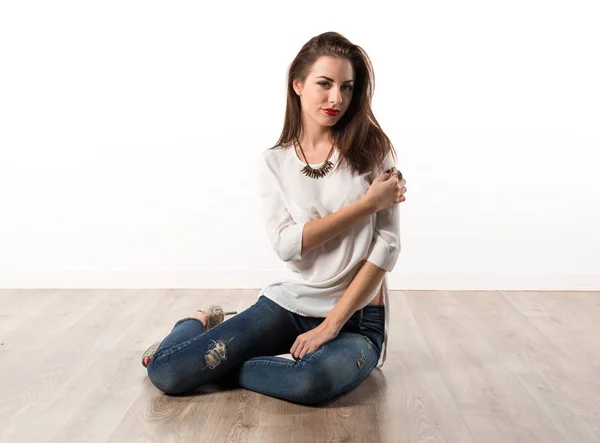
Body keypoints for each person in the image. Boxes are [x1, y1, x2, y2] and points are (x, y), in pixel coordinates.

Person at [142, 31, 408, 406]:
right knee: (167, 372)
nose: (337, 98)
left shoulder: (373, 150)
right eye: (324, 84)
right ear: (297, 85)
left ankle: (222, 364)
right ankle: (198, 321)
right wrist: (366, 205)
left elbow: (388, 247)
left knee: (312, 381)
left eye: (347, 87)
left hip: (355, 320)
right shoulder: (274, 162)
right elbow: (287, 247)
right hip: (289, 305)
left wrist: (330, 326)